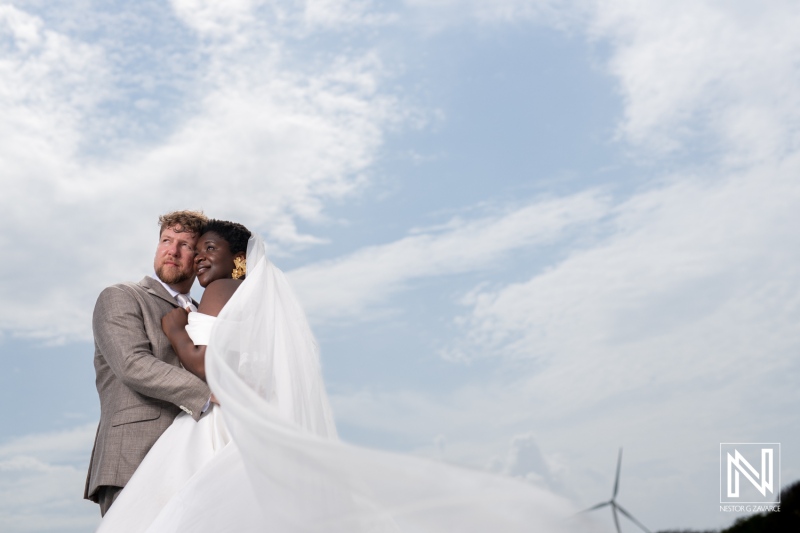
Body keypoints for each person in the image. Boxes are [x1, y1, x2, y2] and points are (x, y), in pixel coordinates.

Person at [98, 220, 590, 533]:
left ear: (237, 259)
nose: (185, 253)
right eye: (172, 242)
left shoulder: (213, 296)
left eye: (196, 245)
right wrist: (210, 390)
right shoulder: (124, 296)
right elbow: (133, 365)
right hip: (143, 448)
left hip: (209, 428)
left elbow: (211, 362)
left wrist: (182, 339)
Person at [84, 210, 213, 515]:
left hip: (195, 457)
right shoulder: (121, 296)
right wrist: (208, 396)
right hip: (134, 454)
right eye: (166, 240)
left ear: (198, 258)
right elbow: (133, 364)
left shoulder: (206, 314)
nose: (173, 250)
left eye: (185, 244)